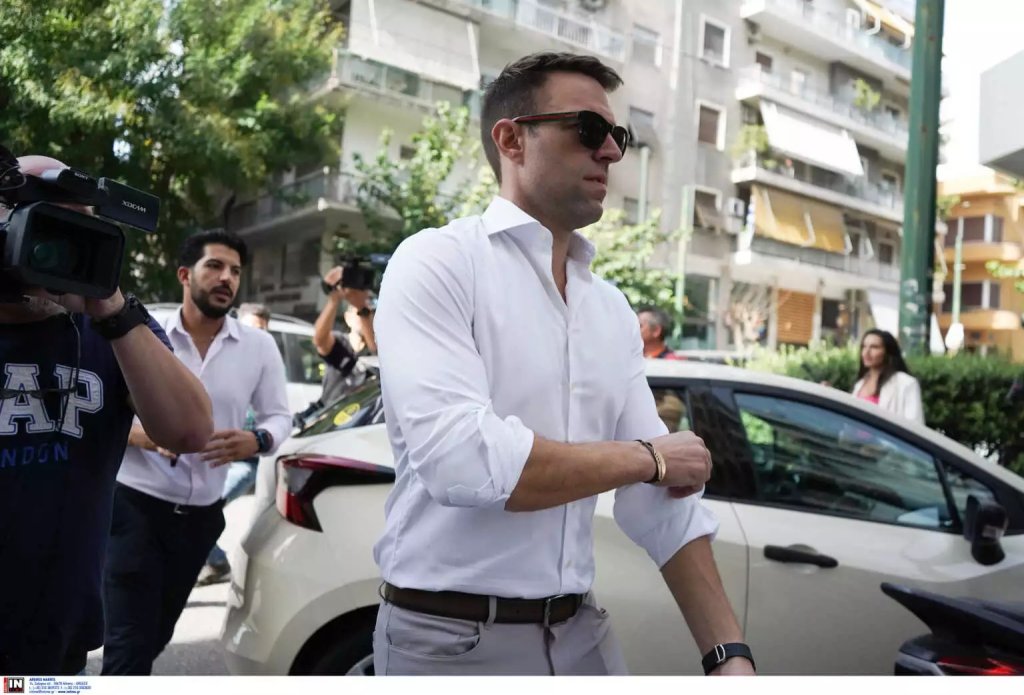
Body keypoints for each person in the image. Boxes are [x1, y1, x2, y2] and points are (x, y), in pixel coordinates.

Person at [371, 52, 754, 676]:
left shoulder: (609, 308)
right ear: (511, 139)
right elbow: (463, 461)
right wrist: (648, 457)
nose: (610, 151)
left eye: (617, 135)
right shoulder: (438, 263)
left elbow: (663, 500)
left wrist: (728, 656)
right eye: (588, 129)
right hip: (449, 642)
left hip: (579, 635)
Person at [0, 155, 213, 676]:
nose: (58, 249)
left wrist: (112, 309)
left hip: (55, 659)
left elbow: (189, 432)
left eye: (80, 231)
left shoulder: (114, 331)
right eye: (45, 226)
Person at [101, 230, 292, 675]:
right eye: (215, 266)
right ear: (185, 275)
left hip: (201, 517)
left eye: (235, 271)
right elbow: (98, 404)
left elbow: (280, 418)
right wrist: (141, 435)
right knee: (128, 643)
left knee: (156, 634)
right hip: (134, 510)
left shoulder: (258, 346)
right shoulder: (141, 330)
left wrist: (257, 441)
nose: (227, 278)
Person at [195, 302, 272, 586]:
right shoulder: (220, 358)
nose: (257, 336)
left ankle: (216, 562)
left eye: (263, 330)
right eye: (252, 329)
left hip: (243, 462)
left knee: (204, 510)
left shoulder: (265, 364)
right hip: (207, 456)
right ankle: (215, 561)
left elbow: (271, 420)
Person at [296, 264, 376, 423]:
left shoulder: (374, 351)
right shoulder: (341, 343)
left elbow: (375, 349)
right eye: (356, 313)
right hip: (331, 419)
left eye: (369, 314)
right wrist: (334, 299)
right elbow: (319, 339)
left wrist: (362, 308)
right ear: (347, 317)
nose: (361, 319)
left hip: (361, 421)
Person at [851, 328, 924, 424]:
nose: (867, 352)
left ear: (887, 352)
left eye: (874, 347)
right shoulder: (860, 384)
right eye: (864, 346)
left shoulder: (906, 383)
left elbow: (915, 424)